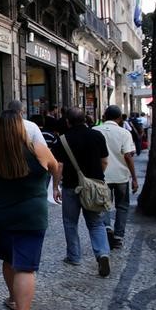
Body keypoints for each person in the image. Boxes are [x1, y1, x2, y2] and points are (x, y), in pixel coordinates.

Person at [0, 110, 59, 310]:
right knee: (26, 267)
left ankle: (13, 298)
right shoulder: (36, 149)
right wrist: (51, 186)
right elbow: (55, 166)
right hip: (31, 215)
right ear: (21, 128)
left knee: (8, 259)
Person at [52, 107, 111, 277]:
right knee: (96, 223)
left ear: (68, 122)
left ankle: (74, 256)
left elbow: (59, 166)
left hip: (71, 187)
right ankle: (102, 254)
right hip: (93, 187)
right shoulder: (97, 136)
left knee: (70, 223)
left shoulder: (62, 140)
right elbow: (104, 161)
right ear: (85, 119)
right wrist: (96, 178)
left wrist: (56, 187)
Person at [93, 105, 138, 249]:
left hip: (101, 176)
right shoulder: (124, 133)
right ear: (119, 118)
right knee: (122, 206)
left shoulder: (94, 131)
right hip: (121, 176)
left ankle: (106, 226)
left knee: (103, 205)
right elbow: (128, 156)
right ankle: (118, 236)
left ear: (104, 116)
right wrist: (134, 178)